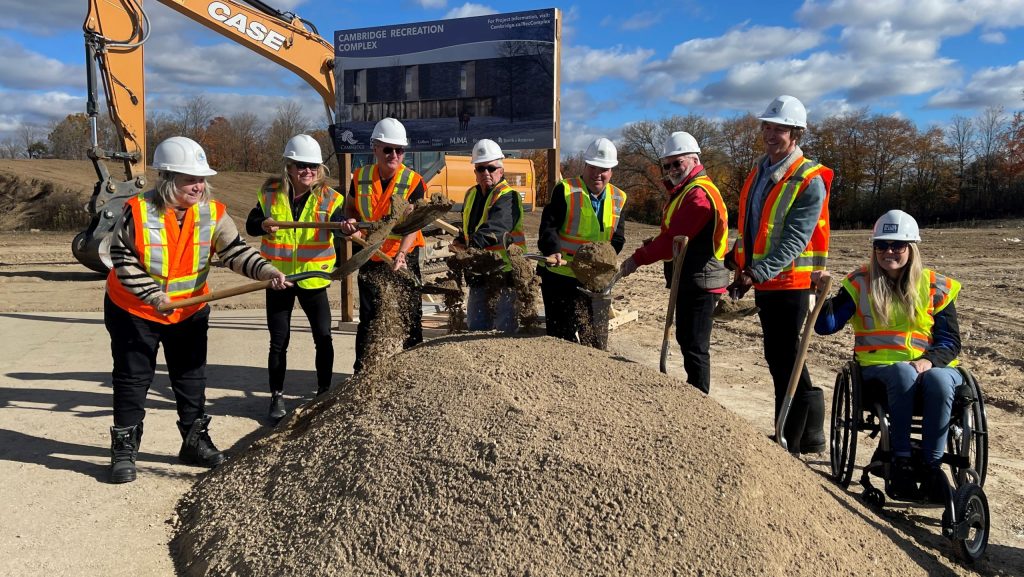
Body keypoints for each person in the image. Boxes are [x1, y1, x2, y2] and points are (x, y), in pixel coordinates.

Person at [104, 136, 290, 484]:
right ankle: (124, 449)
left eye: (202, 179)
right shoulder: (137, 210)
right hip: (134, 310)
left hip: (188, 311)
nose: (199, 186)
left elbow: (235, 251)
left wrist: (266, 271)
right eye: (191, 179)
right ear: (168, 178)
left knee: (191, 378)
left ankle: (194, 442)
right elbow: (123, 259)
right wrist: (153, 295)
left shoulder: (212, 212)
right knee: (133, 379)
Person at [814, 210, 962, 501]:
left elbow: (949, 340)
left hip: (931, 366)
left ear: (911, 247)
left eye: (897, 245)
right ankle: (901, 460)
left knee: (942, 382)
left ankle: (932, 468)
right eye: (881, 245)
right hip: (877, 369)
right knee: (903, 372)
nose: (888, 251)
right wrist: (822, 296)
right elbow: (826, 327)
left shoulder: (935, 285)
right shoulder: (859, 282)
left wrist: (929, 360)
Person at [725, 95, 833, 454]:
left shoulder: (808, 180)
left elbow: (793, 241)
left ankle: (789, 437)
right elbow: (754, 227)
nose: (771, 134)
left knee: (785, 356)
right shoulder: (760, 170)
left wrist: (756, 272)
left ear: (797, 133)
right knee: (781, 356)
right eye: (767, 127)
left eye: (780, 129)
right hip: (764, 279)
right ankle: (806, 433)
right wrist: (738, 260)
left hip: (790, 283)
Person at [618, 132, 729, 393]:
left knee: (695, 345)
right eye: (666, 165)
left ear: (694, 159)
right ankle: (694, 394)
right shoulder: (685, 191)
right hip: (689, 277)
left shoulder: (698, 195)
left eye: (677, 163)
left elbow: (674, 240)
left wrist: (638, 259)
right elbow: (672, 234)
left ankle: (699, 399)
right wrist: (653, 244)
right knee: (686, 339)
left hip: (702, 279)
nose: (671, 170)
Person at [246, 134, 344, 422]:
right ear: (289, 166)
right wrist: (263, 223)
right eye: (301, 165)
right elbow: (252, 225)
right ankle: (276, 396)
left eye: (313, 166)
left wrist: (346, 227)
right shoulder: (270, 193)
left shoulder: (330, 197)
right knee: (279, 340)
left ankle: (324, 391)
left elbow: (339, 228)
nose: (307, 171)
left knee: (323, 337)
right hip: (279, 278)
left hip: (313, 278)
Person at [338, 118, 426, 373]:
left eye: (400, 150)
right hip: (370, 254)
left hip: (403, 255)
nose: (394, 155)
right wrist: (350, 220)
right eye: (388, 149)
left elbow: (415, 224)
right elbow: (351, 207)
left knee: (410, 313)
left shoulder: (414, 181)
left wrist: (401, 254)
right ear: (375, 147)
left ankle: (413, 371)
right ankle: (363, 371)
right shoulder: (360, 176)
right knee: (369, 317)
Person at [537, 137, 627, 349]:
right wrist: (553, 250)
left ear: (611, 171)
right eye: (593, 167)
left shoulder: (619, 198)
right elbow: (548, 227)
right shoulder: (566, 190)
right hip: (560, 277)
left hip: (594, 281)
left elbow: (618, 238)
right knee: (562, 338)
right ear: (585, 166)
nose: (598, 173)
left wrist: (603, 262)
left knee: (594, 338)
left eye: (604, 169)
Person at [451, 139, 525, 333]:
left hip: (504, 271)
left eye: (491, 168)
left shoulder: (509, 196)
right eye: (480, 168)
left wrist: (469, 246)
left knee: (504, 330)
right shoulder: (471, 195)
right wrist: (461, 240)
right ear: (475, 172)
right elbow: (470, 226)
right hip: (478, 270)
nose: (486, 173)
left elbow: (497, 228)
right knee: (476, 326)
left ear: (501, 170)